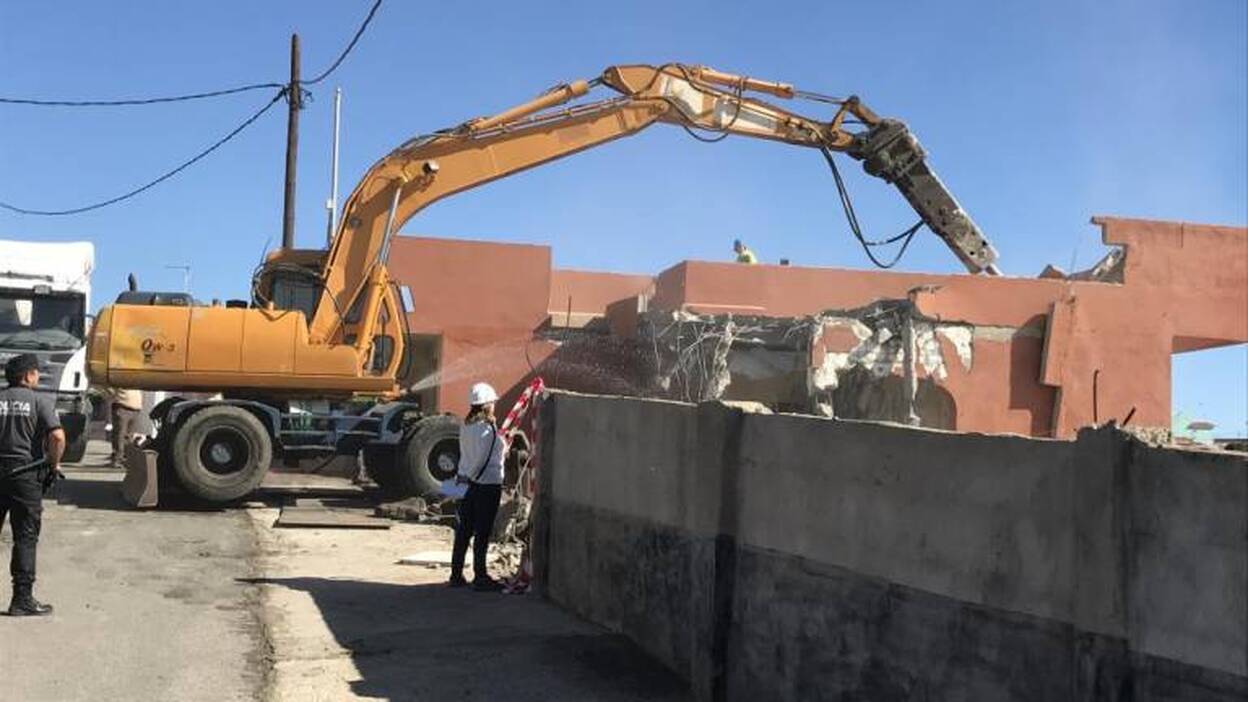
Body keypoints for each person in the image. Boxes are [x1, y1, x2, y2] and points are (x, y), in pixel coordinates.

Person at [0, 353, 65, 616]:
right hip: (25, 476)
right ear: (28, 376)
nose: (37, 376)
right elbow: (58, 438)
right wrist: (53, 464)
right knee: (25, 537)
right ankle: (22, 599)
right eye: (36, 372)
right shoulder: (40, 401)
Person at [449, 382, 506, 592]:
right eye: (492, 402)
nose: (494, 405)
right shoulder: (487, 428)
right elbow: (482, 459)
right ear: (487, 404)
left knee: (464, 530)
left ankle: (456, 574)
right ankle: (480, 576)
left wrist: (464, 478)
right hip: (487, 484)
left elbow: (466, 455)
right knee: (482, 531)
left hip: (468, 484)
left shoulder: (466, 425)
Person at [108, 386, 143, 469]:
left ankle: (126, 459)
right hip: (122, 407)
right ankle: (117, 459)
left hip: (135, 409)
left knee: (129, 436)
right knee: (120, 434)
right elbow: (107, 387)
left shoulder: (135, 380)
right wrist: (115, 396)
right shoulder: (120, 376)